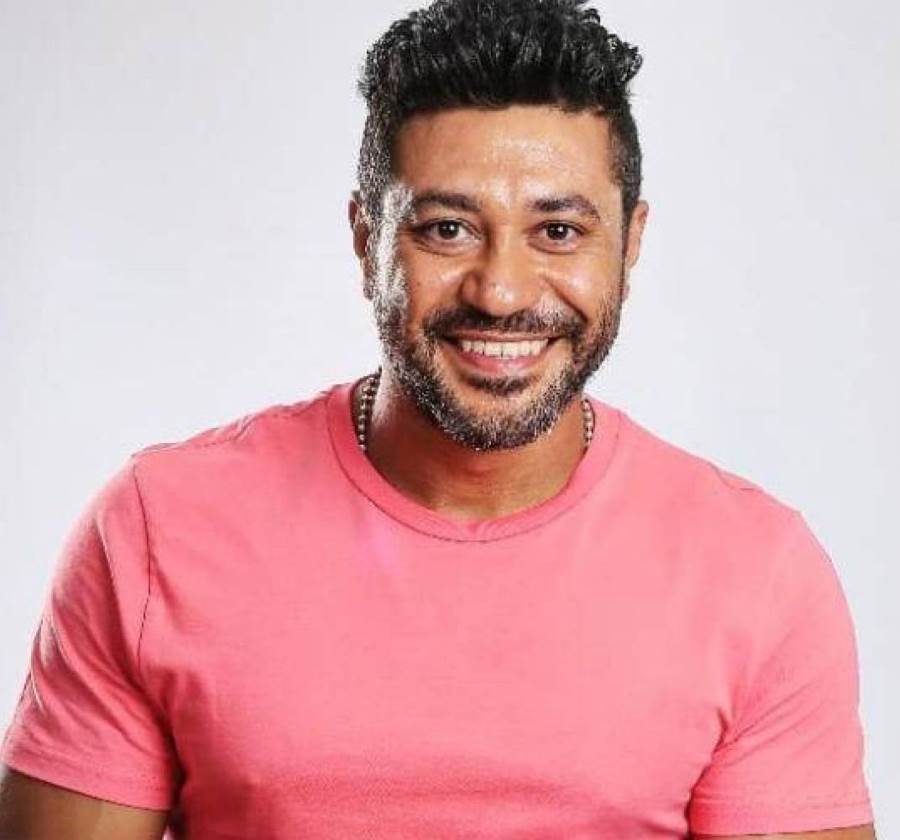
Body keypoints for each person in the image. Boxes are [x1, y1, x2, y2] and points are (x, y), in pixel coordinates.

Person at [0, 0, 877, 838]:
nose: (501, 291)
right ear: (365, 239)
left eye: (559, 232)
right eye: (448, 229)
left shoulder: (757, 574)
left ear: (630, 242)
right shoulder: (158, 529)